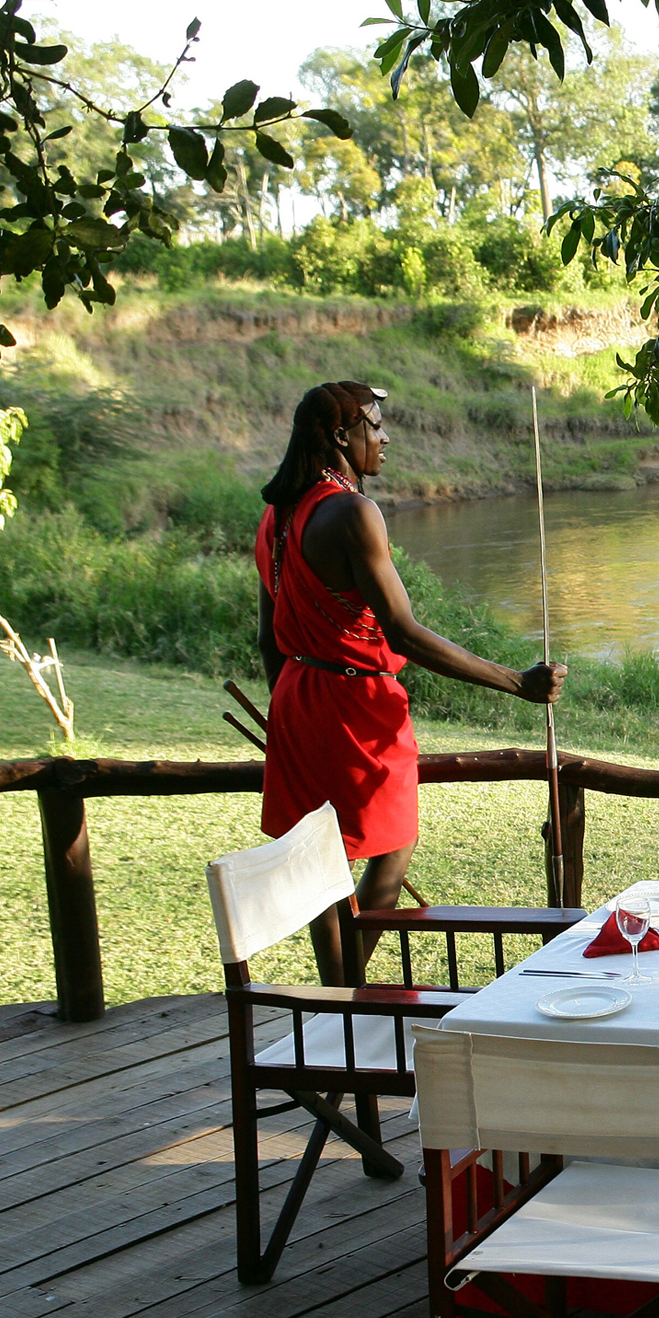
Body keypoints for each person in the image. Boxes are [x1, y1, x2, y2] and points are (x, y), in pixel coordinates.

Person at [255, 381, 566, 979]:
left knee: (326, 856)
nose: (385, 436)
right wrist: (515, 682)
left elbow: (268, 636)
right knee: (391, 848)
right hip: (356, 703)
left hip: (297, 694)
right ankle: (346, 992)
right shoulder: (351, 511)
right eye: (374, 425)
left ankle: (338, 996)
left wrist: (285, 712)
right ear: (342, 436)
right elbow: (403, 633)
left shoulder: (279, 514)